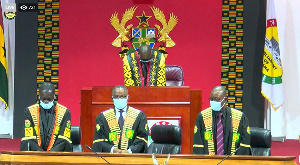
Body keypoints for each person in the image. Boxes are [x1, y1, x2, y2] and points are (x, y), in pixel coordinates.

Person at [193, 86, 251, 155]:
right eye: (211, 99)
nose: (213, 102)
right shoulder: (202, 117)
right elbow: (198, 145)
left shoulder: (240, 117)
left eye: (217, 99)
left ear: (225, 100)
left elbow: (245, 145)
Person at [92, 85, 148, 153]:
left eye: (123, 96)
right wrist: (113, 150)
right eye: (116, 97)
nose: (119, 99)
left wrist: (129, 151)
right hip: (110, 158)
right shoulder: (103, 117)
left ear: (128, 97)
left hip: (132, 158)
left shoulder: (139, 116)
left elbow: (142, 138)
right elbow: (99, 140)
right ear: (112, 98)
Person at [20, 82, 72, 151]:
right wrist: (41, 154)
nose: (46, 101)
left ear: (54, 96)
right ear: (39, 96)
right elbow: (29, 137)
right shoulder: (29, 112)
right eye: (44, 99)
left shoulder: (64, 112)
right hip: (36, 155)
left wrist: (51, 154)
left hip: (57, 155)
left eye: (49, 99)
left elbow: (63, 138)